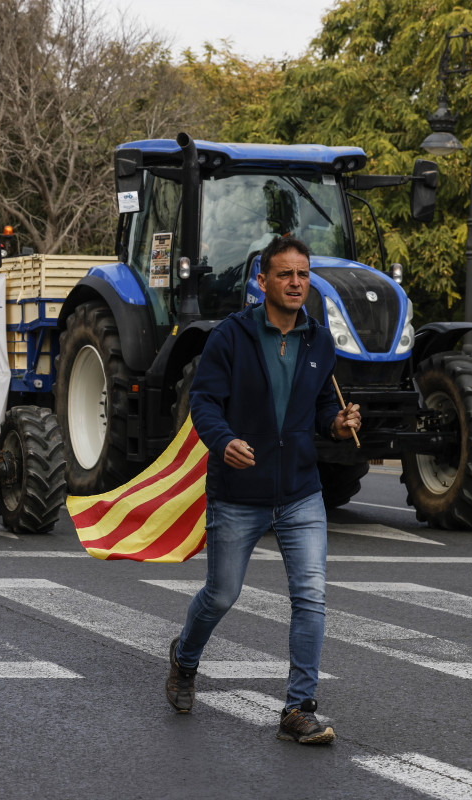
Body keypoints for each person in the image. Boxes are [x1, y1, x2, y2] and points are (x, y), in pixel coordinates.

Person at [165, 235, 361, 745]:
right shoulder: (230, 337)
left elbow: (317, 408)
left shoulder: (320, 341)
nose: (297, 282)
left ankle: (299, 708)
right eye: (285, 274)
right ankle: (185, 660)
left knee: (311, 597)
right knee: (222, 594)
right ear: (262, 281)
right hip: (238, 493)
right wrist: (224, 440)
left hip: (300, 491)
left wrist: (335, 423)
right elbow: (204, 402)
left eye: (303, 274)